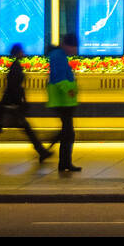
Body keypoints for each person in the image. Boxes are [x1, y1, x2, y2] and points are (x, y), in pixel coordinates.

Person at [0, 43, 52, 165]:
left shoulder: (14, 66)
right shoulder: (16, 67)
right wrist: (19, 101)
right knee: (25, 129)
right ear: (18, 53)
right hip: (12, 105)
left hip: (9, 104)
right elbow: (15, 87)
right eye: (21, 51)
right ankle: (41, 151)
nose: (23, 53)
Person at [46, 34, 81, 173]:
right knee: (68, 133)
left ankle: (64, 162)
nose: (75, 50)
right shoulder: (58, 56)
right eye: (73, 47)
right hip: (63, 100)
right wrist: (70, 91)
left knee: (67, 132)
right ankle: (65, 163)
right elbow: (60, 78)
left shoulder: (59, 55)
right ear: (66, 45)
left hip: (65, 100)